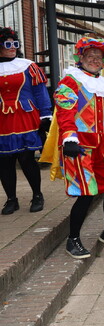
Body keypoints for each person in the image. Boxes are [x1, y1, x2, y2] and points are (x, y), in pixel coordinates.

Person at [52, 36, 104, 259]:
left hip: (103, 147)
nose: (94, 60)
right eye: (90, 56)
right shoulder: (71, 81)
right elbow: (65, 113)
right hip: (79, 148)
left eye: (98, 57)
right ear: (81, 58)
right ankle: (73, 239)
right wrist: (69, 139)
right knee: (86, 194)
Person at [0, 27, 51, 215]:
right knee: (4, 161)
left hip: (25, 117)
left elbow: (40, 91)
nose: (13, 47)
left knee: (26, 158)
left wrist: (46, 114)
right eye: (8, 44)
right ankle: (11, 200)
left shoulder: (27, 65)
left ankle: (37, 195)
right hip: (2, 120)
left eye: (15, 44)